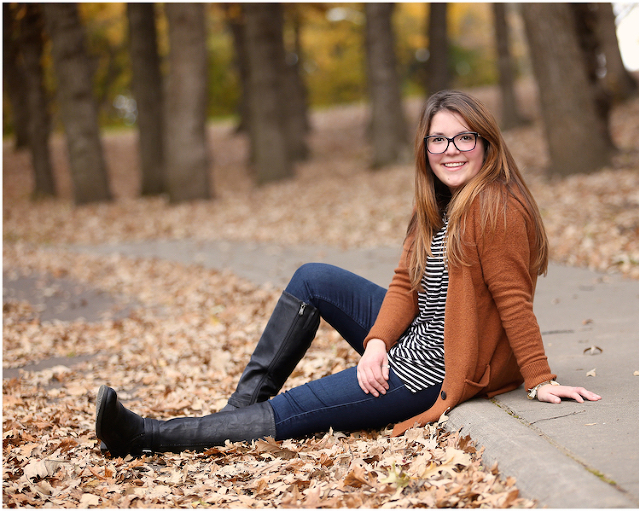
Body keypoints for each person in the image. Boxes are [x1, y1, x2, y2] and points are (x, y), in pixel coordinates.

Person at [96, 90, 601, 457]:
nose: (451, 150)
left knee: (294, 411)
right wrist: (379, 341)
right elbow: (406, 283)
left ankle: (143, 436)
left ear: (487, 144)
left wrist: (539, 379)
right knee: (313, 277)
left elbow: (514, 300)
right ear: (425, 149)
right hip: (409, 341)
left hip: (432, 370)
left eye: (464, 138)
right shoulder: (441, 203)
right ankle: (236, 411)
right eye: (439, 140)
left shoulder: (498, 208)